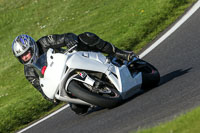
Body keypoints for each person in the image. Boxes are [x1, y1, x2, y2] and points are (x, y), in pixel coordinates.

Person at [12, 32, 134, 114]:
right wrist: (51, 97)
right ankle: (93, 95)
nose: (25, 57)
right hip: (62, 83)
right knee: (77, 109)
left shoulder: (44, 42)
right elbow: (41, 89)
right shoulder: (29, 72)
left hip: (72, 61)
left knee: (86, 37)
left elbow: (66, 37)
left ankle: (119, 53)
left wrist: (70, 41)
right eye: (22, 57)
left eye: (26, 53)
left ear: (32, 47)